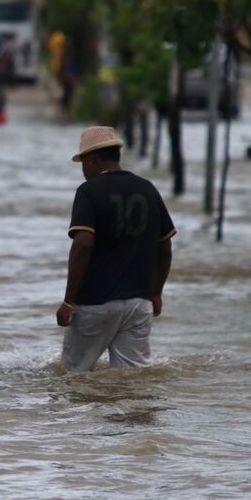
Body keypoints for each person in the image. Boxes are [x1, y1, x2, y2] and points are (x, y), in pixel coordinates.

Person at [56, 126, 176, 372]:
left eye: (83, 162)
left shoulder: (88, 191)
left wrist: (69, 301)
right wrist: (156, 292)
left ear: (92, 159)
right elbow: (165, 246)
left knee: (72, 377)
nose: (83, 169)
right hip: (138, 304)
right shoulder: (147, 188)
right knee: (132, 379)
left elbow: (83, 245)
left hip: (95, 303)